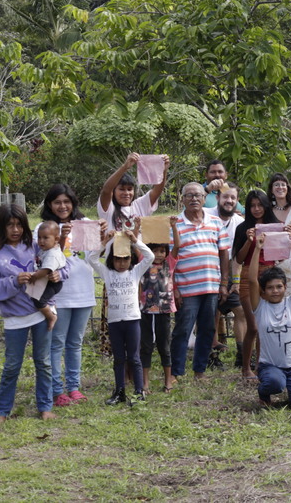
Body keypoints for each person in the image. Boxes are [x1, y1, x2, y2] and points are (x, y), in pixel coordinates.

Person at [0, 203, 61, 421]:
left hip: (40, 314)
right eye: (9, 225)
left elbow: (59, 260)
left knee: (43, 362)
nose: (15, 230)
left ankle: (45, 407)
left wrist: (57, 275)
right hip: (14, 318)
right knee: (12, 365)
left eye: (18, 225)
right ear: (1, 226)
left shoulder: (36, 245)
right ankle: (2, 411)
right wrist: (13, 281)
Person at [96, 153, 169, 357]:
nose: (126, 193)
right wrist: (125, 166)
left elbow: (157, 189)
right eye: (122, 189)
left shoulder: (139, 206)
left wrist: (163, 169)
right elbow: (105, 189)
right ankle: (120, 361)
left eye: (130, 189)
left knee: (140, 317)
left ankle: (140, 360)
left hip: (140, 268)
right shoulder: (108, 209)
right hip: (117, 271)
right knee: (119, 319)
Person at [170, 182, 233, 382]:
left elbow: (224, 254)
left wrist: (224, 283)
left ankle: (200, 371)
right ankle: (177, 373)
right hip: (186, 288)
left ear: (205, 199)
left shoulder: (216, 222)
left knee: (207, 329)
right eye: (189, 195)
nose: (194, 199)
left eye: (197, 195)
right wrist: (174, 289)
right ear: (182, 199)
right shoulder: (174, 225)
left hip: (211, 287)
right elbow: (169, 260)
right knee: (182, 330)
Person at [40, 183, 95, 408]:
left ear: (73, 203)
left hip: (84, 291)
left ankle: (74, 387)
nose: (63, 206)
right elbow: (49, 257)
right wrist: (62, 238)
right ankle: (56, 390)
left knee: (75, 343)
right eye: (57, 202)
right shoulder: (44, 228)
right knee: (56, 343)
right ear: (50, 205)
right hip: (59, 296)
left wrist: (104, 235)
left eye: (66, 201)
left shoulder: (85, 225)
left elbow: (93, 256)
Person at [88, 226, 155, 405]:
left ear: (130, 259)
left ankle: (139, 392)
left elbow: (150, 256)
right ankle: (119, 392)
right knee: (118, 358)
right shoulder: (107, 274)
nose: (121, 263)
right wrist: (104, 242)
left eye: (125, 259)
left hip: (132, 320)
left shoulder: (134, 273)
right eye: (118, 259)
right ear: (112, 260)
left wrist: (135, 240)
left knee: (134, 357)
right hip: (115, 321)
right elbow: (91, 258)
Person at [246, 233, 291, 408]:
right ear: (264, 291)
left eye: (279, 286)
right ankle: (264, 391)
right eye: (270, 288)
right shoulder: (260, 307)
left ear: (284, 287)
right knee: (275, 383)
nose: (275, 291)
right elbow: (252, 280)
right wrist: (257, 248)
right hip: (270, 365)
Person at [233, 189, 281, 379]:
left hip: (270, 276)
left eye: (260, 205)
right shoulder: (243, 227)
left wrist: (286, 238)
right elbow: (239, 258)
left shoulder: (275, 226)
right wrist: (249, 239)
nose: (256, 209)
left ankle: (262, 366)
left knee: (265, 326)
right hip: (248, 275)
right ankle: (246, 368)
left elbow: (280, 256)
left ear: (266, 205)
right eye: (252, 205)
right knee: (253, 326)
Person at [140, 216, 180, 393]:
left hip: (164, 309)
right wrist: (136, 228)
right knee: (146, 345)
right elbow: (136, 248)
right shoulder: (143, 263)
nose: (159, 254)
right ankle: (145, 382)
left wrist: (173, 227)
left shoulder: (169, 264)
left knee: (165, 345)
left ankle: (168, 381)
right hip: (145, 309)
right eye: (155, 251)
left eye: (162, 251)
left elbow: (177, 246)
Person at [209, 183, 245, 364]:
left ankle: (242, 354)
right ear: (217, 198)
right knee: (208, 312)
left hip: (230, 270)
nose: (229, 201)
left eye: (233, 198)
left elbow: (238, 255)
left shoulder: (240, 223)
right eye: (225, 197)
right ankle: (210, 354)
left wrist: (235, 280)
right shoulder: (206, 216)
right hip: (207, 270)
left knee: (240, 311)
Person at [28, 220, 65, 330]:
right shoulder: (46, 249)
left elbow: (45, 270)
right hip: (48, 282)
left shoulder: (52, 254)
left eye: (45, 238)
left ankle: (51, 317)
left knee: (38, 300)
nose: (41, 241)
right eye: (39, 238)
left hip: (53, 284)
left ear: (56, 239)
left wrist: (34, 276)